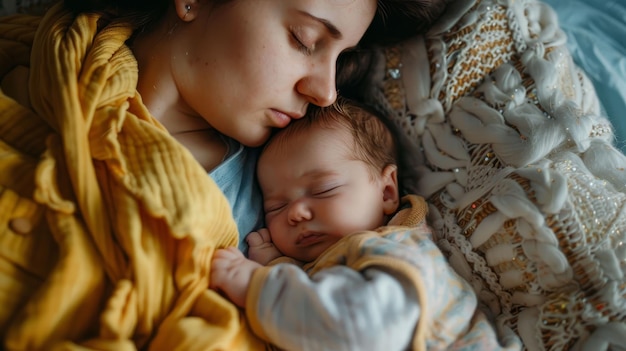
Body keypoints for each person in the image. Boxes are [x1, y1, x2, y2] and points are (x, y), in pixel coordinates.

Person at [0, 0, 450, 349]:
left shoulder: (280, 203)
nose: (326, 91)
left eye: (340, 57)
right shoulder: (30, 65)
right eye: (305, 38)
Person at [210, 98, 523, 351]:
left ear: (386, 191)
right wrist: (277, 265)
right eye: (275, 207)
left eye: (323, 190)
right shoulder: (340, 259)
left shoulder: (400, 257)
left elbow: (358, 331)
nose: (296, 214)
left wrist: (257, 285)